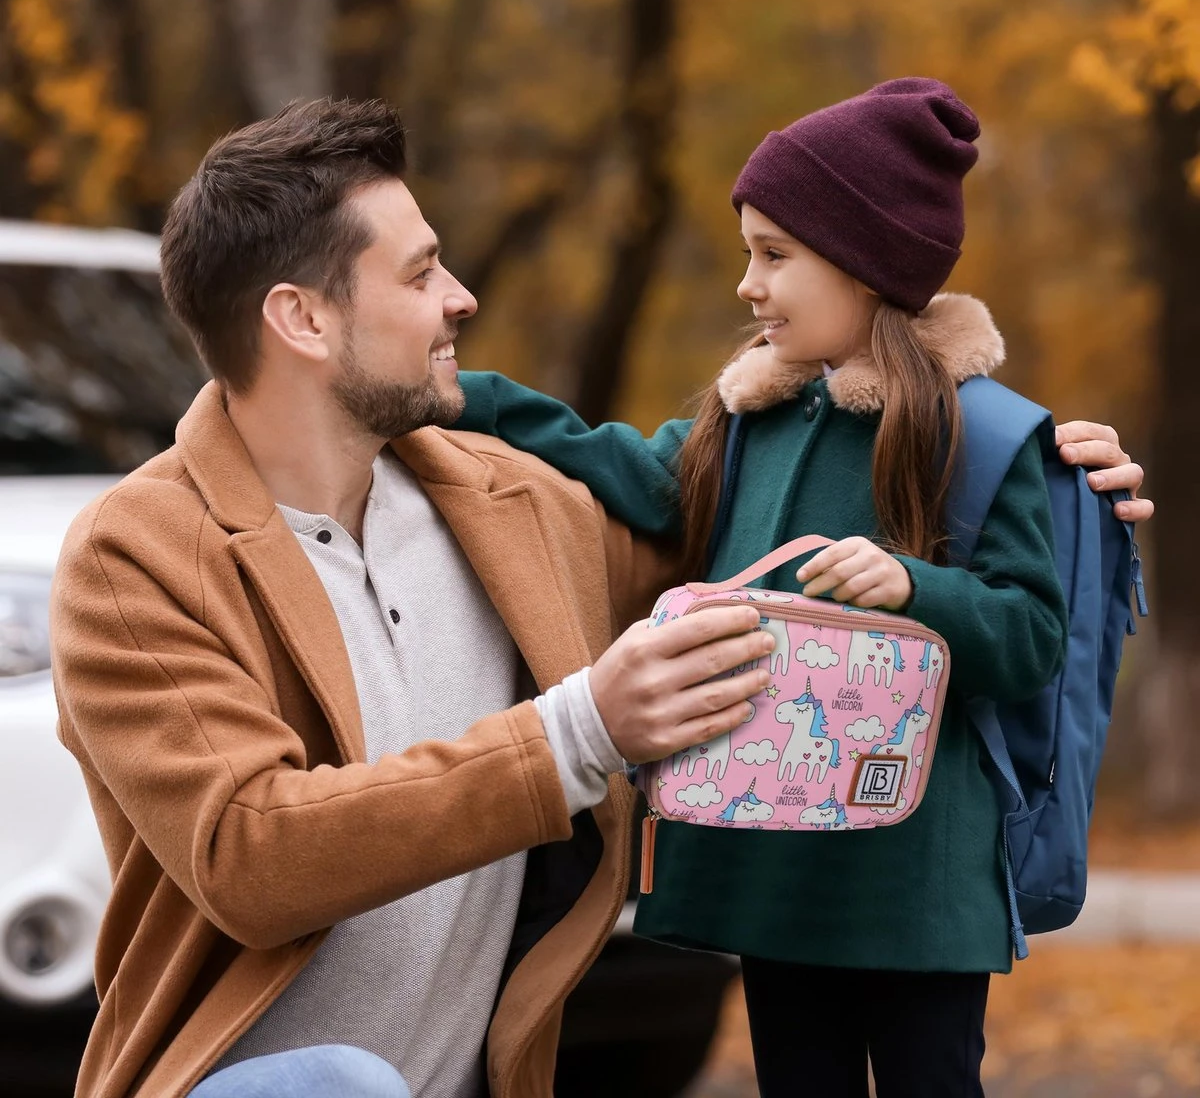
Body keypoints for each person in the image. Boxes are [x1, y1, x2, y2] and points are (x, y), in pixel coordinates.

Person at [48, 97, 779, 1098]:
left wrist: (1023, 466)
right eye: (420, 271)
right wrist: (574, 734)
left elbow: (752, 547)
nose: (461, 297)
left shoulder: (517, 508)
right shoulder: (136, 559)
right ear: (302, 318)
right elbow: (252, 856)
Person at [452, 78, 1153, 1097]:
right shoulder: (745, 427)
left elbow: (1030, 636)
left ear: (868, 266)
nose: (749, 284)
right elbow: (616, 462)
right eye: (748, 252)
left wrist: (914, 590)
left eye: (775, 255)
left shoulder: (983, 435)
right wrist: (458, 397)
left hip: (919, 880)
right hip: (775, 865)